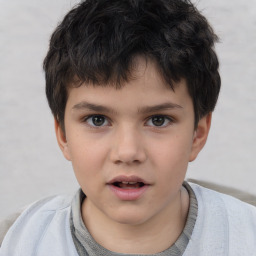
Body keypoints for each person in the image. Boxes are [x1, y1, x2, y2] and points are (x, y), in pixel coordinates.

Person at [1, 0, 256, 255]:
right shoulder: (16, 240)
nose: (127, 152)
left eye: (158, 120)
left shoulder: (245, 235)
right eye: (97, 119)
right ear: (63, 135)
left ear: (197, 135)